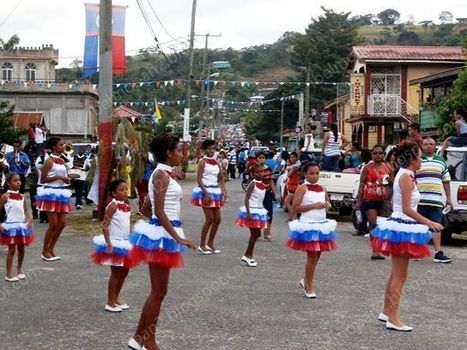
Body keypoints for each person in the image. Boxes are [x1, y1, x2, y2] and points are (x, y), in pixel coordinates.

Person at [126, 133, 195, 350]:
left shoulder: (164, 174)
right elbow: (158, 211)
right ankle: (149, 340)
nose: (181, 155)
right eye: (178, 151)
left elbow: (146, 208)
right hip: (164, 235)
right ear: (168, 153)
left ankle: (138, 338)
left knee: (159, 291)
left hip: (163, 232)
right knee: (158, 291)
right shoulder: (161, 176)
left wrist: (161, 225)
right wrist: (177, 237)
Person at [371, 140, 443, 332]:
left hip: (401, 224)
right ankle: (393, 318)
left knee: (396, 273)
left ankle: (387, 311)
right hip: (403, 225)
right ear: (412, 158)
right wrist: (429, 222)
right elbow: (407, 208)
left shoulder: (406, 174)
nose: (422, 159)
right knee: (400, 276)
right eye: (420, 156)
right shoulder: (406, 176)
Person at [286, 162, 336, 298]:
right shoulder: (302, 188)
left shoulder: (323, 188)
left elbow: (327, 204)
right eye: (311, 173)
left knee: (317, 255)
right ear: (305, 174)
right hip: (309, 225)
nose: (315, 176)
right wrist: (315, 205)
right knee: (312, 256)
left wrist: (327, 205)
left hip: (321, 224)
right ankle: (309, 285)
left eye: (317, 173)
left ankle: (306, 279)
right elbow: (296, 207)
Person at [91, 179, 132, 312]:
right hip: (114, 242)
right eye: (121, 190)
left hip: (125, 242)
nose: (125, 192)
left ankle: (116, 299)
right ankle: (110, 302)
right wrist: (109, 244)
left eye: (126, 189)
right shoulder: (112, 206)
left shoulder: (126, 205)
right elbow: (105, 226)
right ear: (114, 193)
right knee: (116, 273)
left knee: (125, 272)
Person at [416, 137, 452, 263]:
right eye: (426, 144)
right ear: (422, 146)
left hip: (436, 201)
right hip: (420, 200)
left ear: (435, 146)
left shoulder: (441, 160)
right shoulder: (417, 160)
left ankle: (438, 253)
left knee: (436, 226)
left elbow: (446, 180)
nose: (429, 146)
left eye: (431, 144)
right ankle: (417, 251)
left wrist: (449, 199)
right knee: (420, 226)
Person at [36, 137, 73, 261]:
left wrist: (66, 179)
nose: (63, 147)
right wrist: (59, 177)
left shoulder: (61, 161)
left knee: (62, 224)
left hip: (61, 192)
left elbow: (63, 176)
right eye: (61, 145)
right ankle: (44, 251)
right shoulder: (49, 160)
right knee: (53, 224)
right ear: (54, 147)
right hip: (50, 193)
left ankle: (51, 248)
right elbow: (43, 179)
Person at [356, 145, 393, 259]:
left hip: (384, 200)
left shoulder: (388, 167)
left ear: (383, 154)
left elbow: (393, 183)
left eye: (380, 153)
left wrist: (389, 182)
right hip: (370, 198)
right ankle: (375, 250)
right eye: (375, 153)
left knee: (382, 225)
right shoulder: (367, 167)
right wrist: (359, 200)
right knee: (373, 223)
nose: (378, 155)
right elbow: (361, 184)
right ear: (372, 155)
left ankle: (380, 248)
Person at [192, 139, 227, 255]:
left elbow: (220, 177)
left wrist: (223, 191)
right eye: (209, 149)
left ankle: (210, 243)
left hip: (215, 191)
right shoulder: (202, 162)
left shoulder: (216, 162)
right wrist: (206, 194)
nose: (212, 151)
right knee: (210, 219)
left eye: (213, 148)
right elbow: (199, 179)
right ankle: (202, 244)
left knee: (218, 219)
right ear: (204, 150)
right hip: (205, 191)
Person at [0, 173, 34, 282]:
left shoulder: (22, 196)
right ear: (8, 183)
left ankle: (19, 269)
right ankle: (9, 274)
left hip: (21, 226)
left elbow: (25, 211)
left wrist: (30, 219)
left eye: (19, 180)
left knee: (21, 249)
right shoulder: (5, 196)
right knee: (11, 250)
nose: (18, 182)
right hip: (10, 226)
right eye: (15, 180)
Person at [235, 163, 269, 267]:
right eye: (257, 172)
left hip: (259, 210)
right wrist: (248, 212)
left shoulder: (263, 184)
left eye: (261, 172)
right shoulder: (252, 184)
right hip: (252, 211)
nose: (260, 174)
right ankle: (248, 255)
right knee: (254, 234)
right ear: (252, 174)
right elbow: (247, 198)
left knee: (257, 234)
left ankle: (248, 255)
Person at [256, 151, 277, 241]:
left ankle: (267, 232)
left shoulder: (268, 169)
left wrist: (275, 193)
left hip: (267, 193)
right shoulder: (254, 169)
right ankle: (256, 232)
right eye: (260, 158)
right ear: (256, 159)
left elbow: (271, 181)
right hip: (257, 193)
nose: (261, 159)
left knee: (269, 213)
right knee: (257, 213)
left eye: (263, 158)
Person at [284, 152, 301, 221]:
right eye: (290, 157)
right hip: (293, 185)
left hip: (293, 186)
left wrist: (288, 166)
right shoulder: (294, 166)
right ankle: (293, 217)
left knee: (287, 202)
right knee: (293, 203)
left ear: (297, 158)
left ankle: (293, 217)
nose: (291, 159)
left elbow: (289, 175)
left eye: (293, 157)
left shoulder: (295, 167)